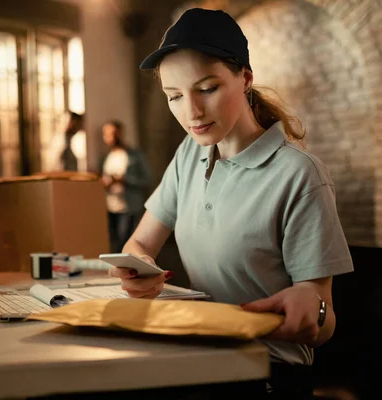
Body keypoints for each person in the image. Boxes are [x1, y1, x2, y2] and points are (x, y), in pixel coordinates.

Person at [108, 8, 353, 398]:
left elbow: (323, 326)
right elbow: (137, 245)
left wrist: (313, 308)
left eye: (207, 89)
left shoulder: (300, 175)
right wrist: (140, 270)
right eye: (174, 96)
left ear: (245, 78)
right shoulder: (189, 154)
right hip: (202, 357)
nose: (191, 113)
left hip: (268, 372)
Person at [99, 120, 151, 253]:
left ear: (121, 133)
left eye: (114, 133)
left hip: (129, 207)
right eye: (107, 134)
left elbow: (147, 179)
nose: (111, 137)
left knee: (126, 244)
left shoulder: (135, 155)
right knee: (114, 243)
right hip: (111, 206)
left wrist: (125, 180)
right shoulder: (106, 157)